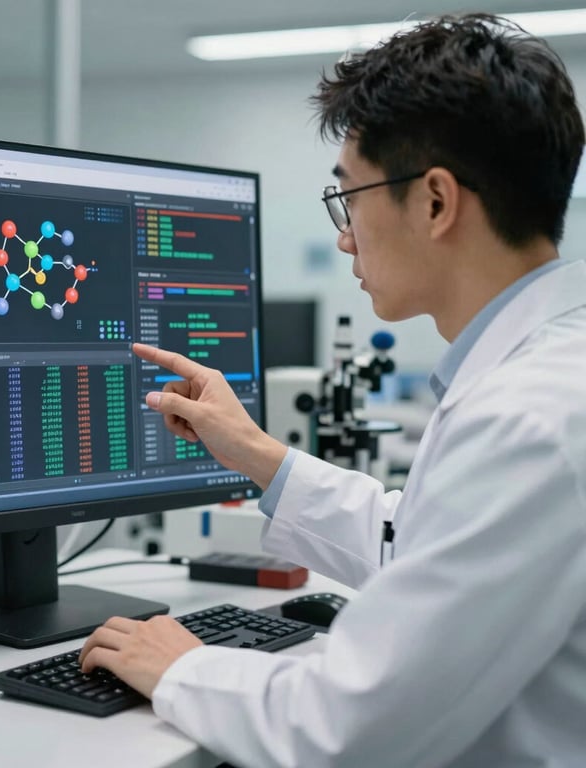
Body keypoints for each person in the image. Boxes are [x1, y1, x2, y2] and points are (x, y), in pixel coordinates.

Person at [80, 13, 586, 767]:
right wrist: (258, 454)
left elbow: (346, 730)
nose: (345, 235)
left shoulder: (530, 421)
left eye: (349, 197)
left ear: (436, 202)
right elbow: (422, 546)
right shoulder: (544, 375)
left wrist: (180, 664)